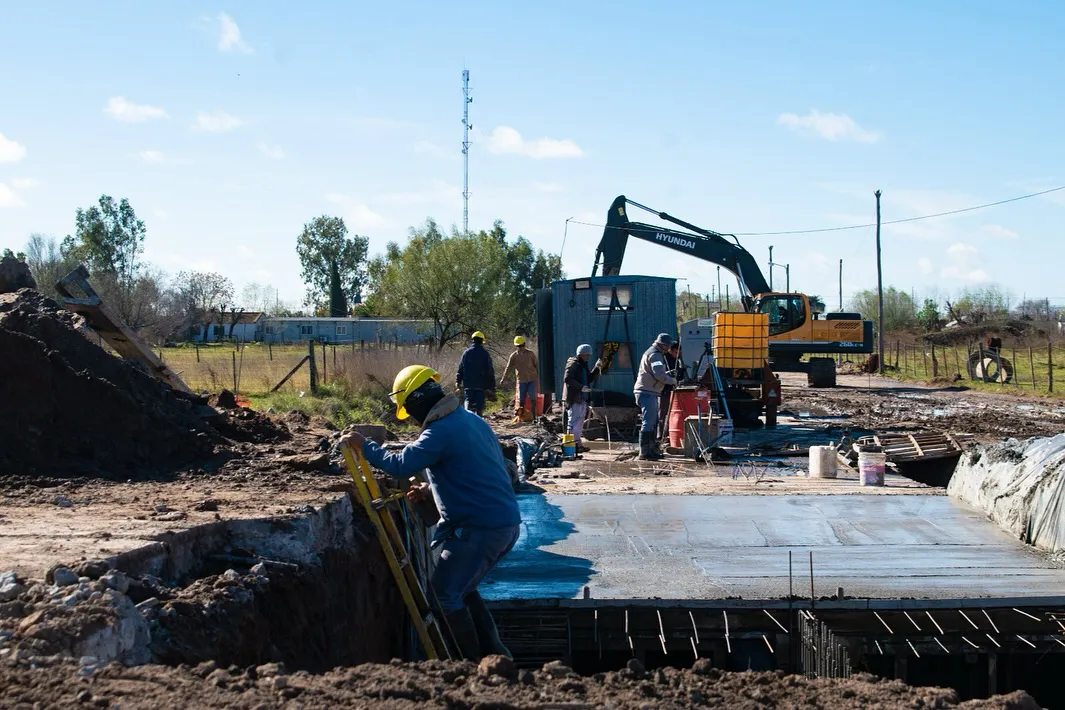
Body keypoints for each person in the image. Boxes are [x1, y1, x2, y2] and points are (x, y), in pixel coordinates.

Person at [339, 365, 521, 661]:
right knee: (463, 591)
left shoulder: (441, 430)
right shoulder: (470, 420)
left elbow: (399, 466)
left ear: (416, 401)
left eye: (409, 411)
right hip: (502, 524)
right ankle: (496, 660)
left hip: (479, 530)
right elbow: (472, 470)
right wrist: (430, 489)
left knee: (444, 597)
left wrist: (365, 446)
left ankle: (471, 666)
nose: (412, 419)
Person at [634, 333, 678, 461]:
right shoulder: (655, 355)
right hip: (647, 391)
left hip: (647, 390)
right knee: (649, 422)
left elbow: (655, 373)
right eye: (668, 346)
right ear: (662, 345)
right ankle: (645, 452)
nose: (669, 348)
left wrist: (667, 374)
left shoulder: (652, 353)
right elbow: (659, 375)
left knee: (652, 421)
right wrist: (672, 380)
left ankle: (651, 450)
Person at [562, 344, 603, 453]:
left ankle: (577, 444)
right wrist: (581, 387)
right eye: (586, 355)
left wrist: (597, 368)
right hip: (574, 398)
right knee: (573, 422)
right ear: (581, 354)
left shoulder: (582, 365)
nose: (588, 357)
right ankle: (571, 447)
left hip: (581, 398)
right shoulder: (573, 364)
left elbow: (588, 379)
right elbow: (567, 379)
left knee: (579, 423)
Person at [456, 331, 495, 417]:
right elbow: (490, 371)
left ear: (473, 340)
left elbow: (461, 368)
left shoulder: (466, 353)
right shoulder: (485, 353)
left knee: (468, 402)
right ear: (482, 341)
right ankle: (478, 420)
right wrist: (491, 386)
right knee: (479, 406)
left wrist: (458, 381)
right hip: (480, 385)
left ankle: (467, 419)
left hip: (468, 384)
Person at [499, 335, 539, 415]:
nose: (521, 348)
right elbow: (508, 368)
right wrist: (503, 379)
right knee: (521, 400)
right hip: (521, 380)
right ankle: (521, 416)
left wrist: (539, 377)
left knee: (533, 399)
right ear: (517, 346)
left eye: (521, 346)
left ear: (524, 344)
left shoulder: (530, 354)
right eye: (519, 346)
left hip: (531, 380)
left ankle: (533, 417)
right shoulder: (514, 356)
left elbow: (536, 365)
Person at [657, 341, 682, 441]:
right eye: (676, 352)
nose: (677, 354)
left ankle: (669, 434)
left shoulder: (677, 360)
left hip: (673, 390)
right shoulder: (663, 359)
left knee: (672, 414)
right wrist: (670, 375)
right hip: (664, 390)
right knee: (663, 414)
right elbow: (660, 374)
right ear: (670, 350)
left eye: (679, 352)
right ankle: (660, 436)